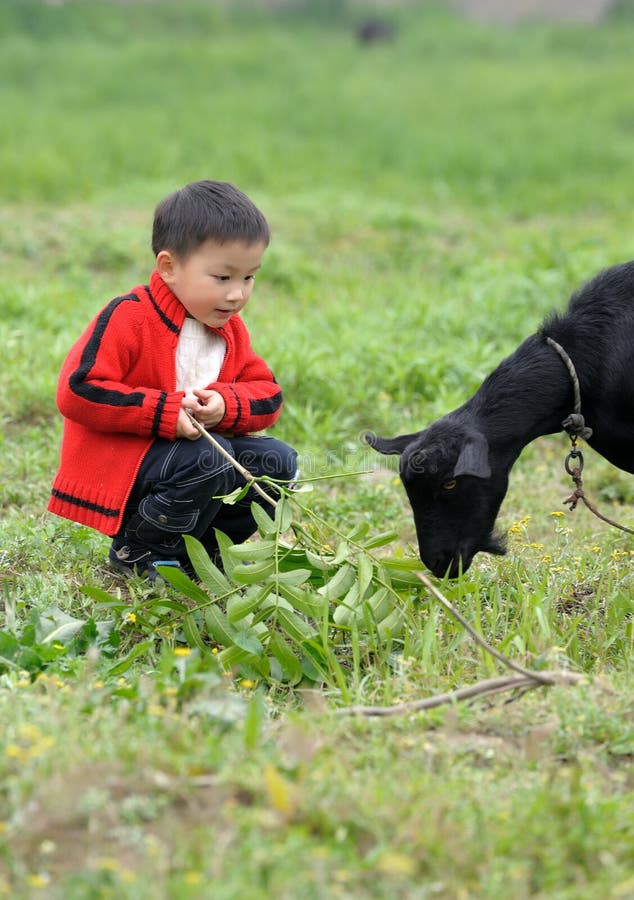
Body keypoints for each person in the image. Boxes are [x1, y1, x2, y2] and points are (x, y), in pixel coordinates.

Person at [49, 180, 297, 582]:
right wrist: (163, 412)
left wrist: (224, 406)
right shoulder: (129, 318)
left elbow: (268, 395)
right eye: (222, 277)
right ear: (169, 268)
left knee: (278, 461)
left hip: (192, 466)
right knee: (208, 458)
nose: (237, 294)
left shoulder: (230, 330)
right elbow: (78, 390)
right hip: (130, 466)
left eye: (249, 278)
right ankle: (143, 550)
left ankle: (205, 552)